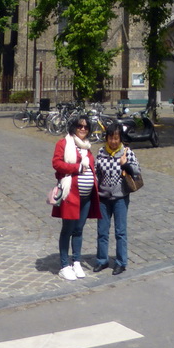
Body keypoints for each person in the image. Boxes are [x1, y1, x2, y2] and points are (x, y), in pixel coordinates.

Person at [51, 114, 100, 281]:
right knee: (68, 229)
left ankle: (76, 261)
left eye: (86, 127)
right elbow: (57, 163)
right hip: (71, 194)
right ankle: (64, 265)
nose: (83, 129)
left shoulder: (87, 146)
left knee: (79, 230)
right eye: (80, 126)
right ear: (74, 127)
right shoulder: (64, 143)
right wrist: (77, 167)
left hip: (86, 196)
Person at [94, 120, 141, 276]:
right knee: (102, 231)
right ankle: (102, 260)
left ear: (120, 138)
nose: (113, 141)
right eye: (110, 138)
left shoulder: (127, 152)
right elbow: (96, 174)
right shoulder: (101, 152)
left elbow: (136, 171)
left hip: (121, 197)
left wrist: (125, 164)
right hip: (103, 198)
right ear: (106, 138)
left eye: (116, 138)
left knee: (120, 232)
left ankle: (121, 262)